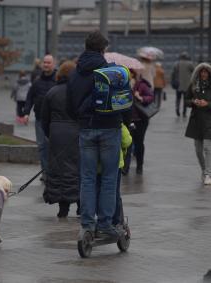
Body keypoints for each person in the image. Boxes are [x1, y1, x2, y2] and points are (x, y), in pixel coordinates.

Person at [66, 31, 123, 238]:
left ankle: (87, 223)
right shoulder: (110, 71)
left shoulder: (74, 73)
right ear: (102, 49)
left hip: (86, 129)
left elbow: (70, 105)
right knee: (109, 178)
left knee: (87, 178)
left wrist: (82, 119)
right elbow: (122, 103)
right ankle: (106, 223)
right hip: (109, 128)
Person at [40, 60, 80, 218]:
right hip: (75, 134)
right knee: (77, 170)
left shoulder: (52, 92)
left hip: (56, 134)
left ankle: (63, 207)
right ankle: (80, 205)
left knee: (58, 170)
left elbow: (44, 119)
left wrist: (51, 134)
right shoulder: (78, 93)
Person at [185, 63, 211, 186]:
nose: (204, 74)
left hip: (210, 122)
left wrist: (207, 104)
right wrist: (193, 102)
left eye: (206, 72)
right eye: (202, 72)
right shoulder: (193, 86)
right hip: (196, 121)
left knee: (208, 148)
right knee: (198, 150)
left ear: (210, 74)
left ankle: (208, 174)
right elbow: (186, 100)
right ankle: (203, 170)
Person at [24, 54, 57, 180]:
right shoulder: (37, 81)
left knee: (53, 146)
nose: (46, 64)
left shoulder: (58, 80)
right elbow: (30, 98)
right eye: (45, 62)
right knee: (42, 146)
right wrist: (26, 113)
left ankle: (53, 172)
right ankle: (45, 172)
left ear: (53, 64)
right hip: (40, 119)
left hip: (55, 119)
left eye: (49, 62)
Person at [124, 69, 154, 175]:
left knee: (139, 143)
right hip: (127, 119)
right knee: (127, 143)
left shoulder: (142, 85)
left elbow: (150, 97)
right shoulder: (122, 85)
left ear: (133, 74)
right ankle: (125, 168)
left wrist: (140, 97)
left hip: (140, 120)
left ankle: (139, 166)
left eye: (130, 73)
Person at [171, 52, 195, 117]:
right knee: (185, 99)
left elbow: (173, 73)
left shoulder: (177, 64)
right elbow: (194, 72)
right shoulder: (190, 64)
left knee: (178, 98)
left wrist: (173, 81)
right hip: (187, 85)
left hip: (178, 85)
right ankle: (184, 112)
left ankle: (177, 109)